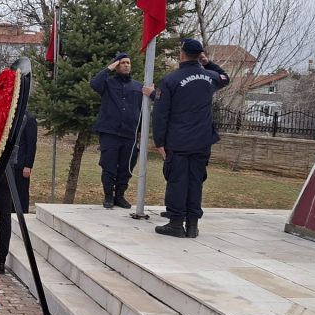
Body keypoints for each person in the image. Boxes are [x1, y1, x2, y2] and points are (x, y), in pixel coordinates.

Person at [153, 38, 230, 238]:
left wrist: (159, 142)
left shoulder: (171, 80)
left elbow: (161, 114)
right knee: (195, 181)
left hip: (178, 141)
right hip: (202, 140)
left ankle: (176, 223)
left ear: (182, 54)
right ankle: (193, 225)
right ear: (200, 55)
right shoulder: (211, 77)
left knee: (177, 181)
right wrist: (207, 63)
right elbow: (225, 77)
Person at [90, 52, 154, 209]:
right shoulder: (108, 83)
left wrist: (140, 132)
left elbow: (143, 110)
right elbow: (94, 84)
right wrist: (109, 67)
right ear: (117, 66)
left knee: (127, 167)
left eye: (128, 63)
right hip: (110, 132)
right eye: (123, 62)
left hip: (130, 134)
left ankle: (120, 196)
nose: (126, 65)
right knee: (109, 165)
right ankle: (108, 197)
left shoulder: (138, 86)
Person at [12, 110, 38, 214]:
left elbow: (31, 144)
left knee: (21, 196)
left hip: (21, 165)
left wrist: (28, 165)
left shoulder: (29, 118)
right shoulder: (12, 116)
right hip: (9, 166)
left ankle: (22, 219)